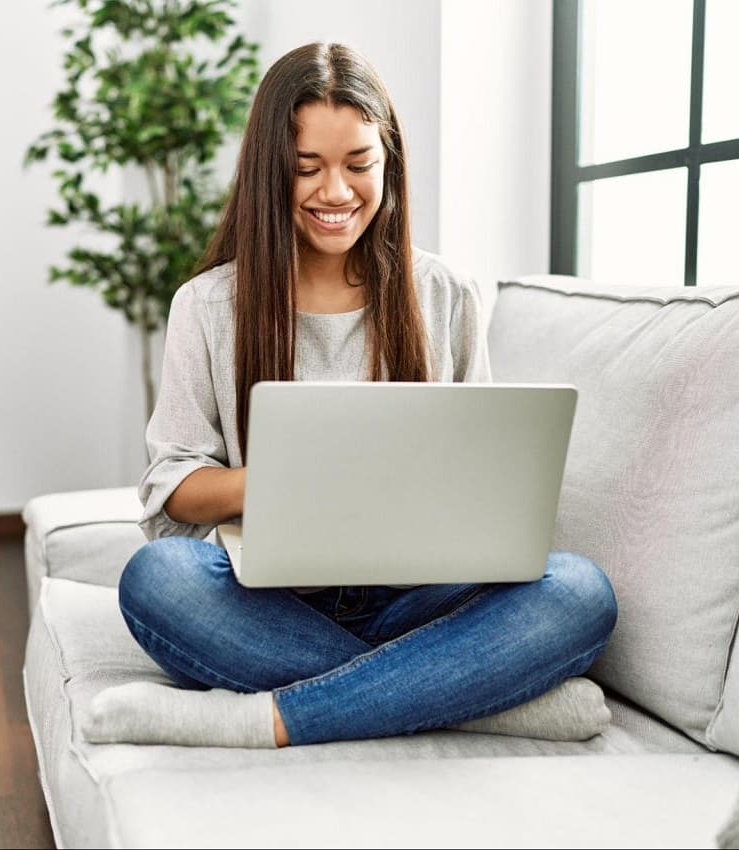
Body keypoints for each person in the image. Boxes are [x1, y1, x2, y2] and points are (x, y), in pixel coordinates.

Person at [85, 42, 618, 749]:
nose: (336, 192)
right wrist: (284, 478)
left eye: (359, 165)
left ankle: (277, 717)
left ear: (388, 164)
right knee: (157, 580)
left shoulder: (443, 293)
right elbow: (172, 487)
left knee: (581, 593)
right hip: (267, 599)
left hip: (418, 597)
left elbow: (484, 479)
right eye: (307, 169)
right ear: (270, 174)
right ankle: (475, 697)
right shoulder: (209, 305)